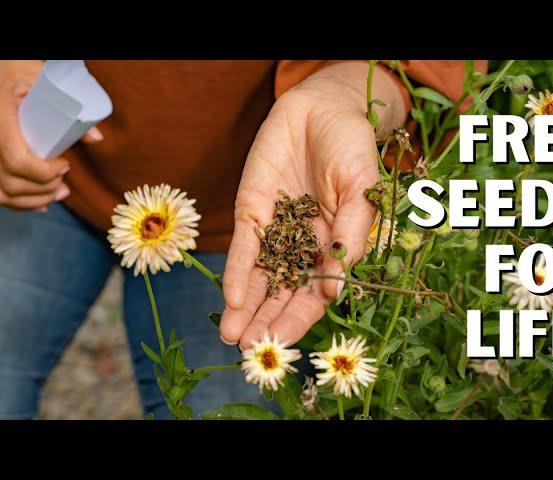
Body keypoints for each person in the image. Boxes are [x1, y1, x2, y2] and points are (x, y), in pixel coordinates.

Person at [0, 60, 486, 419]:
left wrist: (344, 92)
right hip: (53, 155)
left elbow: (423, 72)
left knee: (222, 404)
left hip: (247, 213)